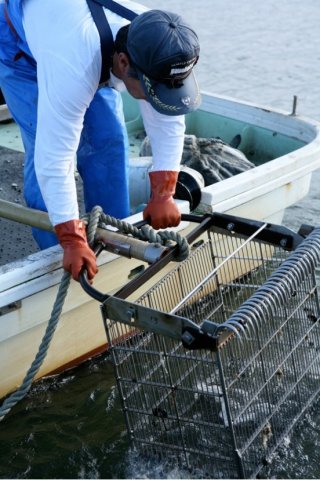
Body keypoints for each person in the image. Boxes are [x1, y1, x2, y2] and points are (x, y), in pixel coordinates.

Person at [0, 0, 201, 281]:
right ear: (122, 63)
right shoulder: (73, 65)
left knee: (108, 141)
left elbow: (167, 116)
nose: (155, 97)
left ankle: (114, 239)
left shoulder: (164, 41)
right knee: (43, 147)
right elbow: (54, 161)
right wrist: (71, 238)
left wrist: (164, 192)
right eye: (149, 88)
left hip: (82, 40)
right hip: (21, 48)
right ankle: (62, 255)